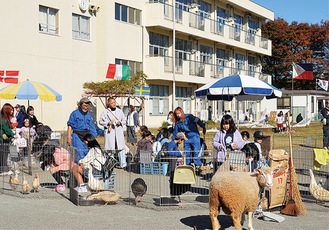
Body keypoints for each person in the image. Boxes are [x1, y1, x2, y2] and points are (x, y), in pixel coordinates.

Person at [99, 97, 127, 169]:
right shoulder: (105, 112)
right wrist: (108, 123)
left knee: (120, 148)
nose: (114, 104)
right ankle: (110, 164)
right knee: (110, 149)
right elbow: (100, 121)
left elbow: (124, 120)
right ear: (109, 104)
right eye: (112, 103)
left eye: (114, 102)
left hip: (118, 131)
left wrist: (120, 123)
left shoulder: (120, 111)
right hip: (110, 132)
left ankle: (123, 164)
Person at [67, 97, 97, 162]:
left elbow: (92, 127)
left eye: (87, 106)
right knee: (79, 153)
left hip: (86, 135)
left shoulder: (89, 114)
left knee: (86, 153)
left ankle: (85, 169)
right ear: (80, 105)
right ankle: (79, 169)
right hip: (77, 134)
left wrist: (93, 138)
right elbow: (70, 125)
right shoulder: (74, 113)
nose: (86, 107)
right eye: (84, 105)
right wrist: (69, 137)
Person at [0, 103, 16, 175]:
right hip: (3, 139)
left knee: (3, 153)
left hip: (3, 138)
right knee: (4, 154)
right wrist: (12, 134)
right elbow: (6, 129)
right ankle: (4, 170)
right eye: (11, 110)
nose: (12, 112)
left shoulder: (3, 117)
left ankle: (4, 168)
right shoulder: (3, 119)